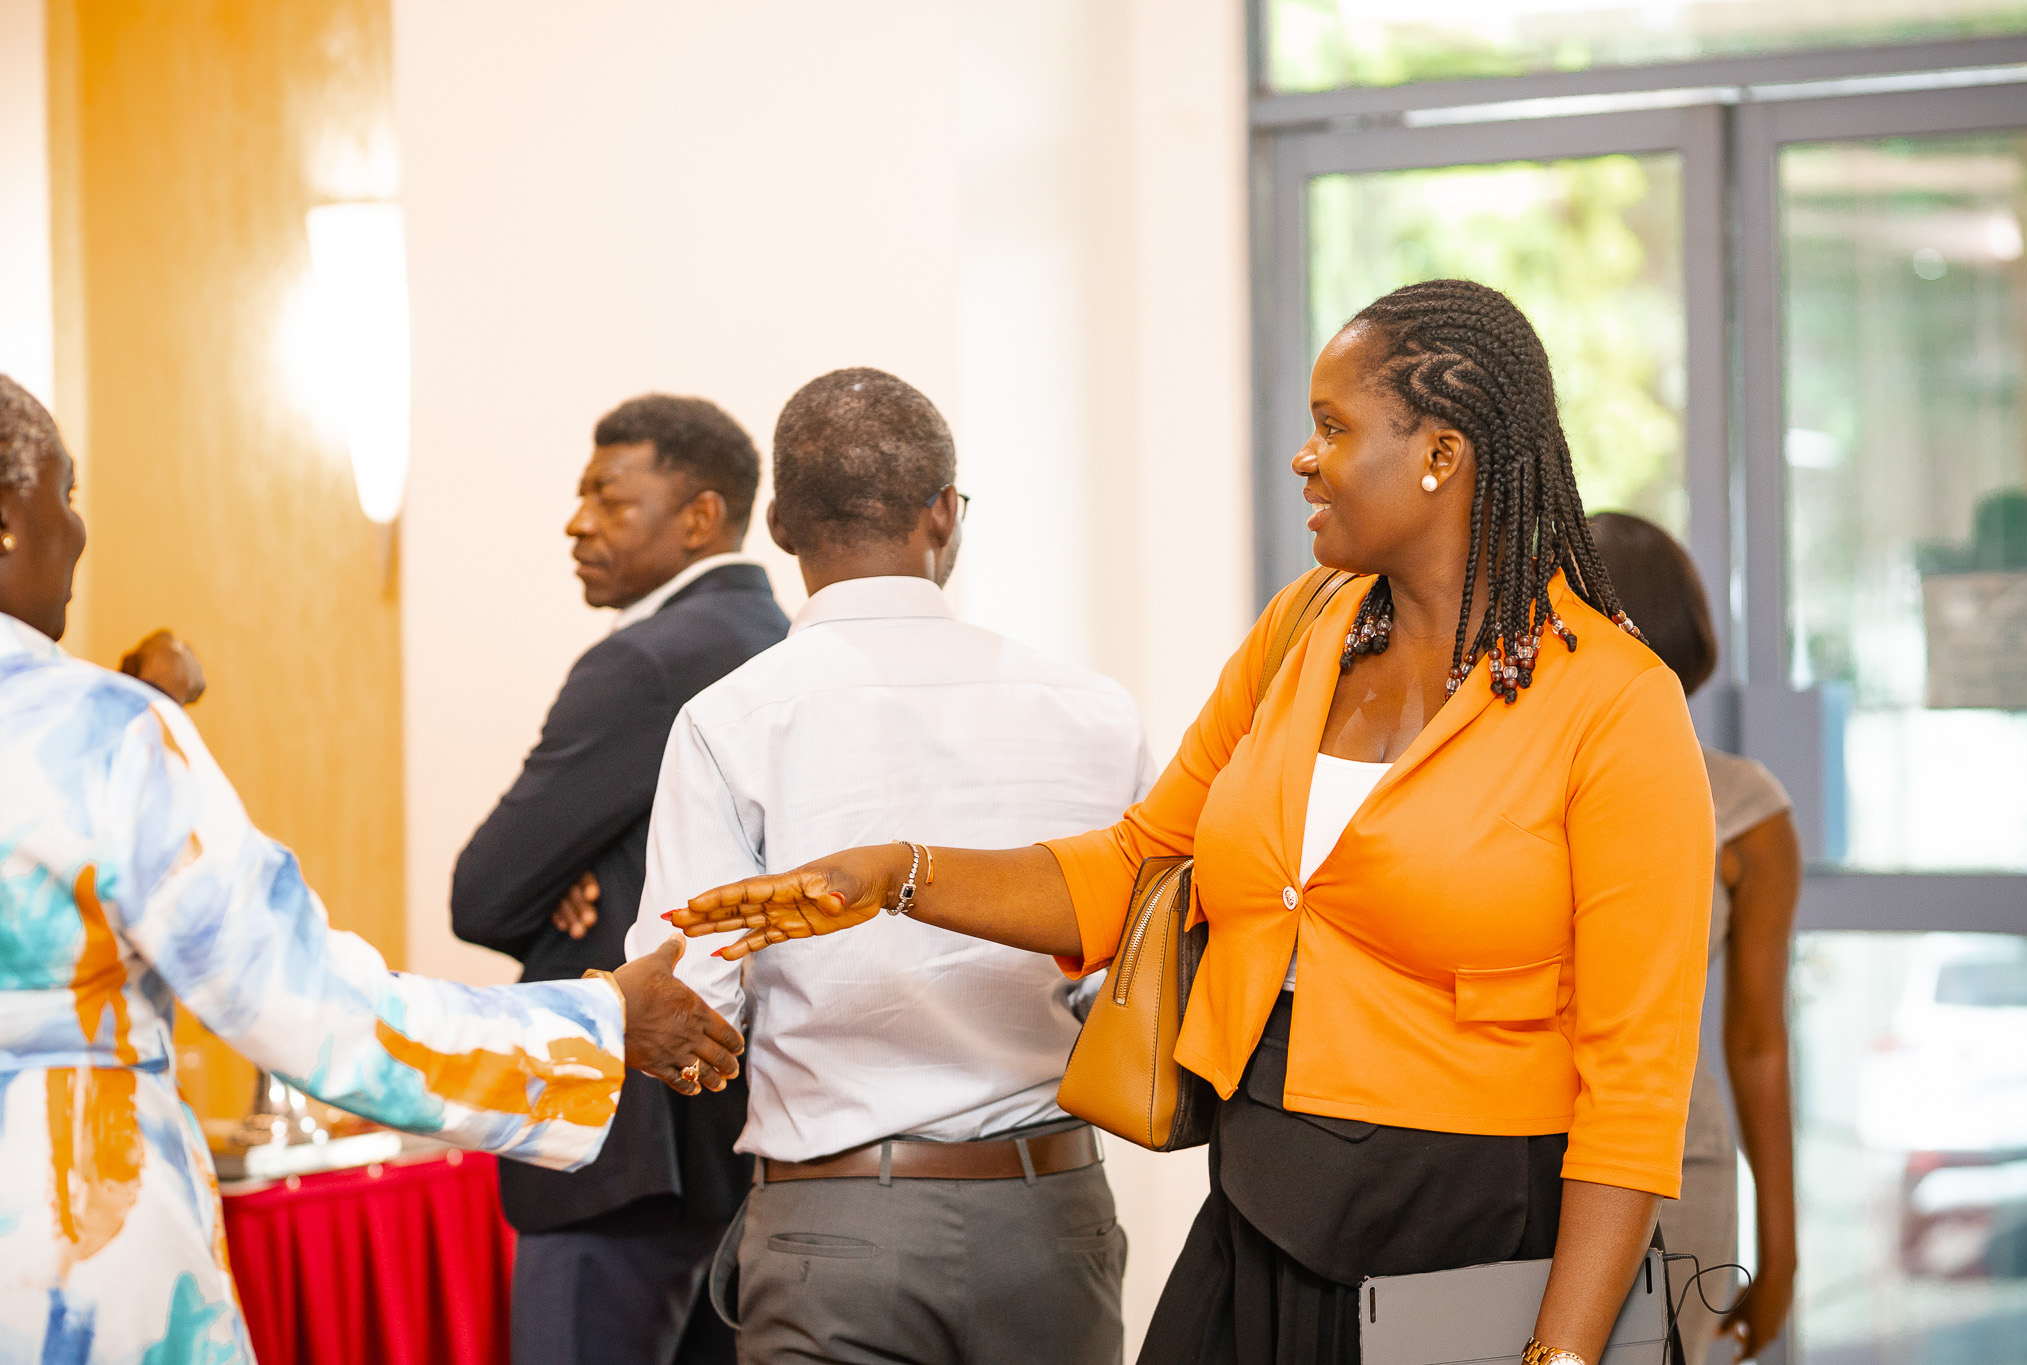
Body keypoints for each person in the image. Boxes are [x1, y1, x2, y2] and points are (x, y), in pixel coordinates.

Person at [673, 282, 1718, 1365]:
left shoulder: (1612, 702)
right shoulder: (1301, 634)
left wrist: (1562, 1353)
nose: (1304, 458)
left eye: (1333, 428)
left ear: (1439, 454)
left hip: (1476, 1234)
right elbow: (1135, 867)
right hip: (1263, 1205)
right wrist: (895, 874)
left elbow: (1635, 1081)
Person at [0, 373, 745, 1365]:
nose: (79, 531)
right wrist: (602, 1017)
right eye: (67, 492)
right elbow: (309, 1005)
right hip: (59, 1254)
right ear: (7, 519)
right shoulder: (100, 732)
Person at [624, 368, 1150, 1365]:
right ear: (944, 512)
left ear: (778, 524)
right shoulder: (1093, 711)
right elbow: (1132, 967)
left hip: (834, 1227)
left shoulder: (729, 721)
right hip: (1048, 1215)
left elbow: (690, 1007)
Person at [452, 394, 787, 1365]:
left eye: (609, 496)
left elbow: (482, 892)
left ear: (700, 516)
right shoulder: (783, 642)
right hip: (749, 1137)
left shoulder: (644, 661)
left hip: (630, 1145)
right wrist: (596, 864)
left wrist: (569, 874)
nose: (577, 522)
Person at [1591, 511, 1799, 1365]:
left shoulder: (1745, 806)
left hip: (1676, 1166)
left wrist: (1781, 1248)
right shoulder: (1508, 785)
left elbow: (1756, 1039)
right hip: (1511, 1150)